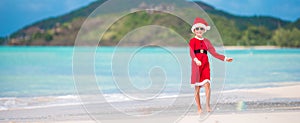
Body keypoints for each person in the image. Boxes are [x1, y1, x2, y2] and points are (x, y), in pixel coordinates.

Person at [189, 17, 233, 114]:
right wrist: (196, 60)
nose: (199, 30)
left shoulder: (207, 42)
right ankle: (199, 108)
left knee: (207, 85)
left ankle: (208, 105)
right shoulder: (192, 41)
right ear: (194, 30)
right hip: (196, 65)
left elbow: (214, 53)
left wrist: (225, 58)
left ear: (204, 30)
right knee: (197, 87)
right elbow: (191, 53)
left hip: (205, 65)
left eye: (201, 28)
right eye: (197, 29)